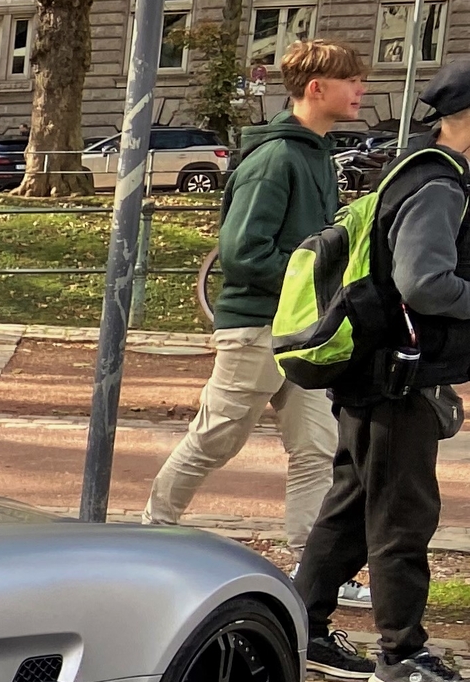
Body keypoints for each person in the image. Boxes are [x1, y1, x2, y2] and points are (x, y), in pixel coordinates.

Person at [291, 58, 470, 682]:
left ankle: (303, 625)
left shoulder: (413, 169)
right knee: (403, 513)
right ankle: (403, 654)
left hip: (375, 371)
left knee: (351, 507)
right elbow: (423, 281)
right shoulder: (441, 184)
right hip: (397, 377)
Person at [145, 39, 366, 551]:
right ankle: (152, 530)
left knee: (316, 446)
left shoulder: (313, 154)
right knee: (216, 437)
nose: (361, 89)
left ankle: (309, 564)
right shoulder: (276, 160)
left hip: (299, 330)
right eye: (351, 80)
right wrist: (314, 286)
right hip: (258, 329)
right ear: (316, 88)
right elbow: (243, 252)